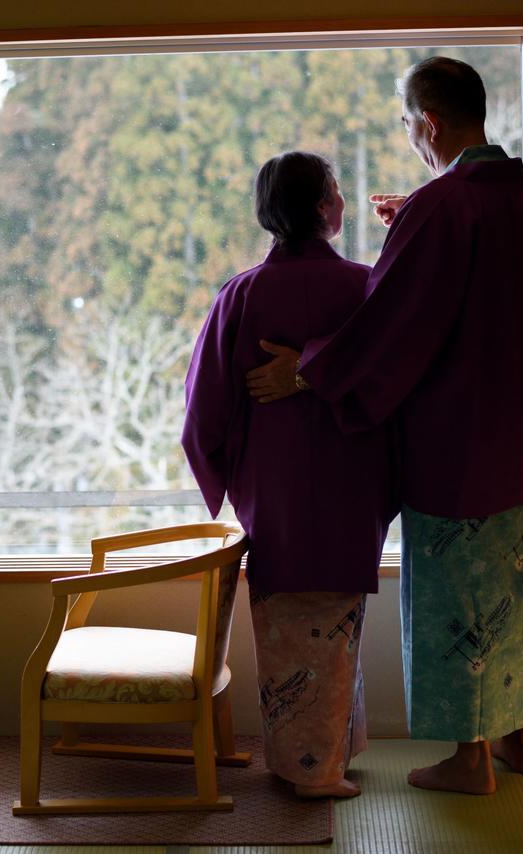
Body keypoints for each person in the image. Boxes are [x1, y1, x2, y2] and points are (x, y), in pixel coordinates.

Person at [245, 57, 523, 795]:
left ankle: (468, 759)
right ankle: (521, 740)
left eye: (406, 124)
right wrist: (410, 225)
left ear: (429, 124)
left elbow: (395, 317)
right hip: (515, 429)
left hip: (451, 437)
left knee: (453, 597)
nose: (409, 138)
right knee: (506, 582)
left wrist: (310, 369)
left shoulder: (442, 208)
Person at [182, 151, 398, 800]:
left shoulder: (241, 295)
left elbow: (203, 413)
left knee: (287, 631)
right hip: (352, 482)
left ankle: (307, 759)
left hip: (272, 492)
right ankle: (323, 766)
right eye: (334, 191)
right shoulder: (367, 289)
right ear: (322, 209)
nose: (340, 201)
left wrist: (223, 481)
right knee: (337, 625)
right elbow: (396, 382)